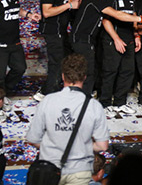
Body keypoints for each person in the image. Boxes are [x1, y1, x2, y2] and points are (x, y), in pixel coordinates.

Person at [27, 54, 110, 185]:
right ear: (84, 77)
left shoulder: (48, 101)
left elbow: (33, 138)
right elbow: (102, 146)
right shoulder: (94, 105)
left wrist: (52, 147)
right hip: (80, 171)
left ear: (63, 76)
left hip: (50, 168)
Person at [70, 0, 142, 95]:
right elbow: (117, 14)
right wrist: (140, 19)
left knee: (90, 71)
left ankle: (84, 99)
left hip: (88, 39)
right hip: (81, 39)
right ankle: (83, 101)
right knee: (87, 73)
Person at [35, 0, 82, 102]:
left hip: (60, 30)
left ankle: (50, 90)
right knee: (57, 62)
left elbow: (59, 1)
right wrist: (70, 5)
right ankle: (47, 94)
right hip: (52, 30)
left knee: (65, 59)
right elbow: (47, 12)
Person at [99, 0, 140, 115]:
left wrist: (136, 35)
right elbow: (105, 20)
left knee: (127, 71)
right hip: (113, 39)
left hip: (129, 39)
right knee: (110, 72)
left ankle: (119, 102)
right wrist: (115, 39)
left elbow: (133, 15)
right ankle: (104, 103)